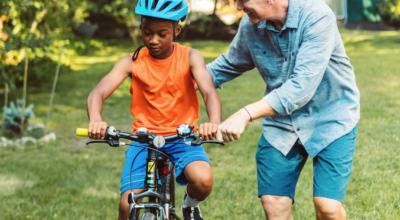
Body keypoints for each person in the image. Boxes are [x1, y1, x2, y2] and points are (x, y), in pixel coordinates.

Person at [207, 0, 360, 219]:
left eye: (243, 0)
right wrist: (179, 80)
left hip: (331, 116)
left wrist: (245, 113)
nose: (239, 7)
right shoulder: (251, 24)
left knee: (328, 208)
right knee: (273, 204)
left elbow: (301, 87)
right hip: (282, 122)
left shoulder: (317, 16)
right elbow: (230, 63)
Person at [86, 0, 221, 219]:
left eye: (162, 34)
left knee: (203, 180)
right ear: (141, 28)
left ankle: (190, 206)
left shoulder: (190, 57)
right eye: (147, 33)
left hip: (182, 138)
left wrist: (213, 122)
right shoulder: (131, 62)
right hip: (143, 139)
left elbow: (209, 92)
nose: (153, 40)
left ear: (177, 30)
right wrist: (95, 119)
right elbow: (98, 93)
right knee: (126, 205)